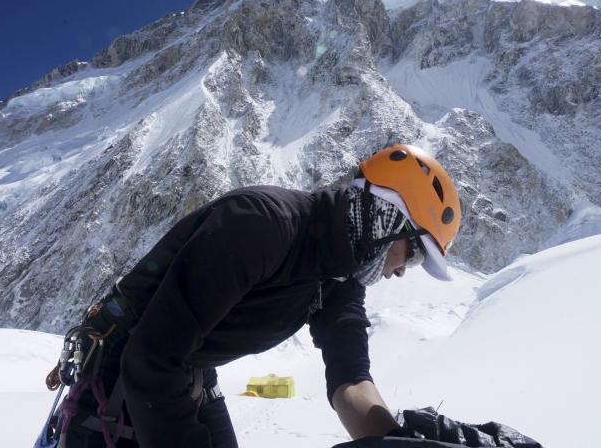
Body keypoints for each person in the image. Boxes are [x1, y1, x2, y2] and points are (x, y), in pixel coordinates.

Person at [40, 143, 465, 448]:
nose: (398, 273)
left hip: (188, 377)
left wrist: (390, 440)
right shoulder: (260, 226)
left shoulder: (340, 279)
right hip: (120, 385)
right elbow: (149, 358)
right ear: (388, 219)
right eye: (411, 256)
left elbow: (351, 380)